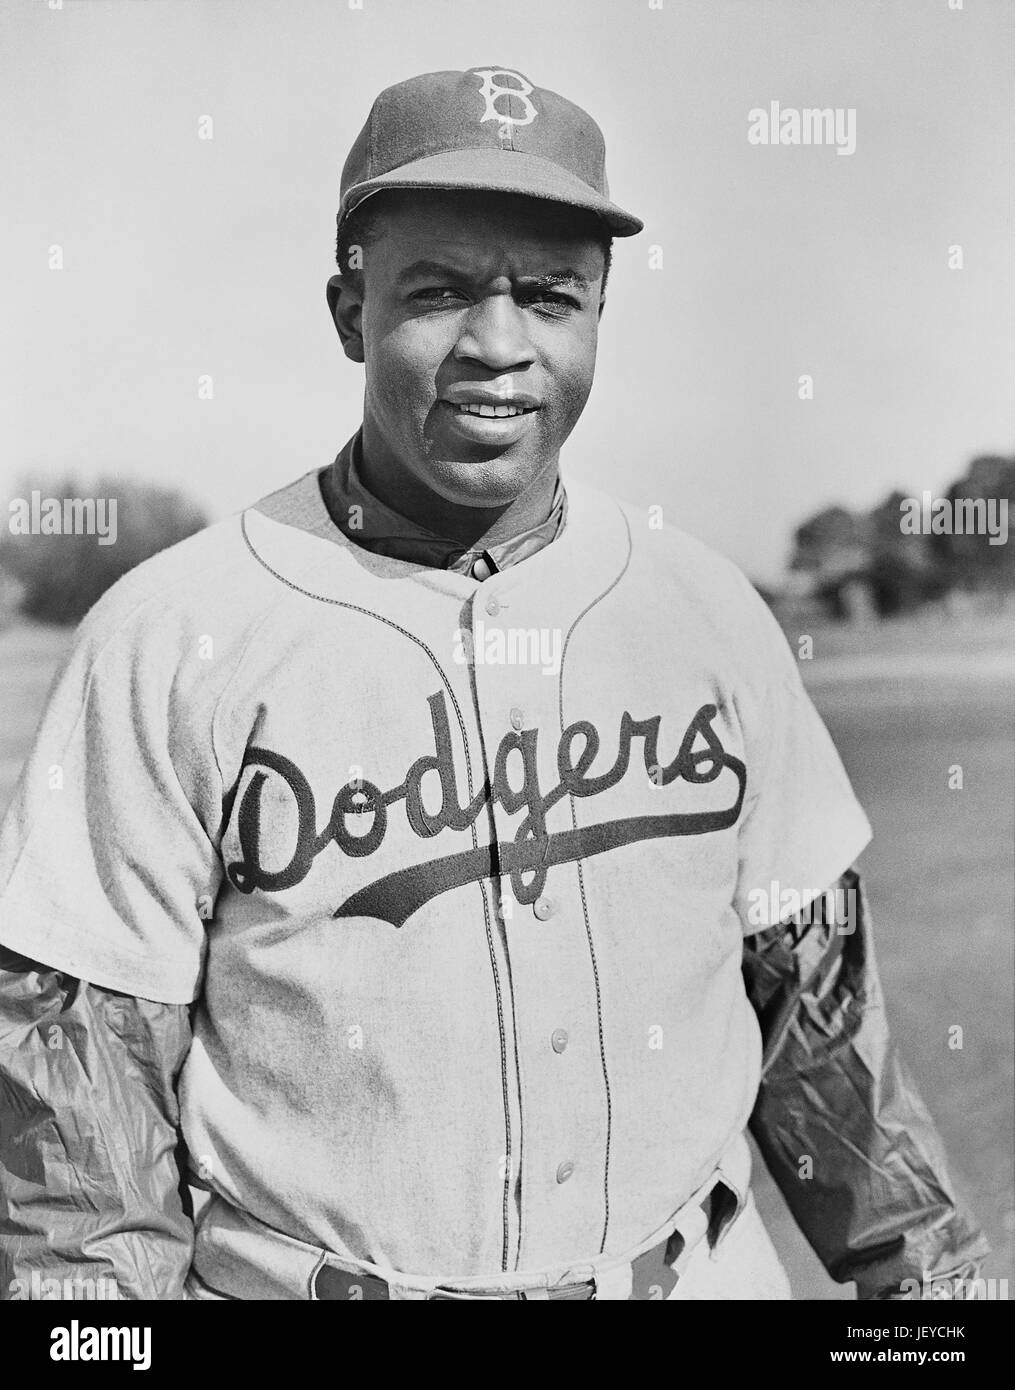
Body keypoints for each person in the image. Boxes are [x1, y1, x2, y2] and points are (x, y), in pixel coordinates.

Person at [0, 66, 986, 1301]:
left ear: (596, 318)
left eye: (550, 296)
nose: (499, 346)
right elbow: (78, 1148)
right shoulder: (170, 635)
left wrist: (939, 1302)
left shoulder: (705, 612)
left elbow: (823, 1036)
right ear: (346, 310)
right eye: (441, 290)